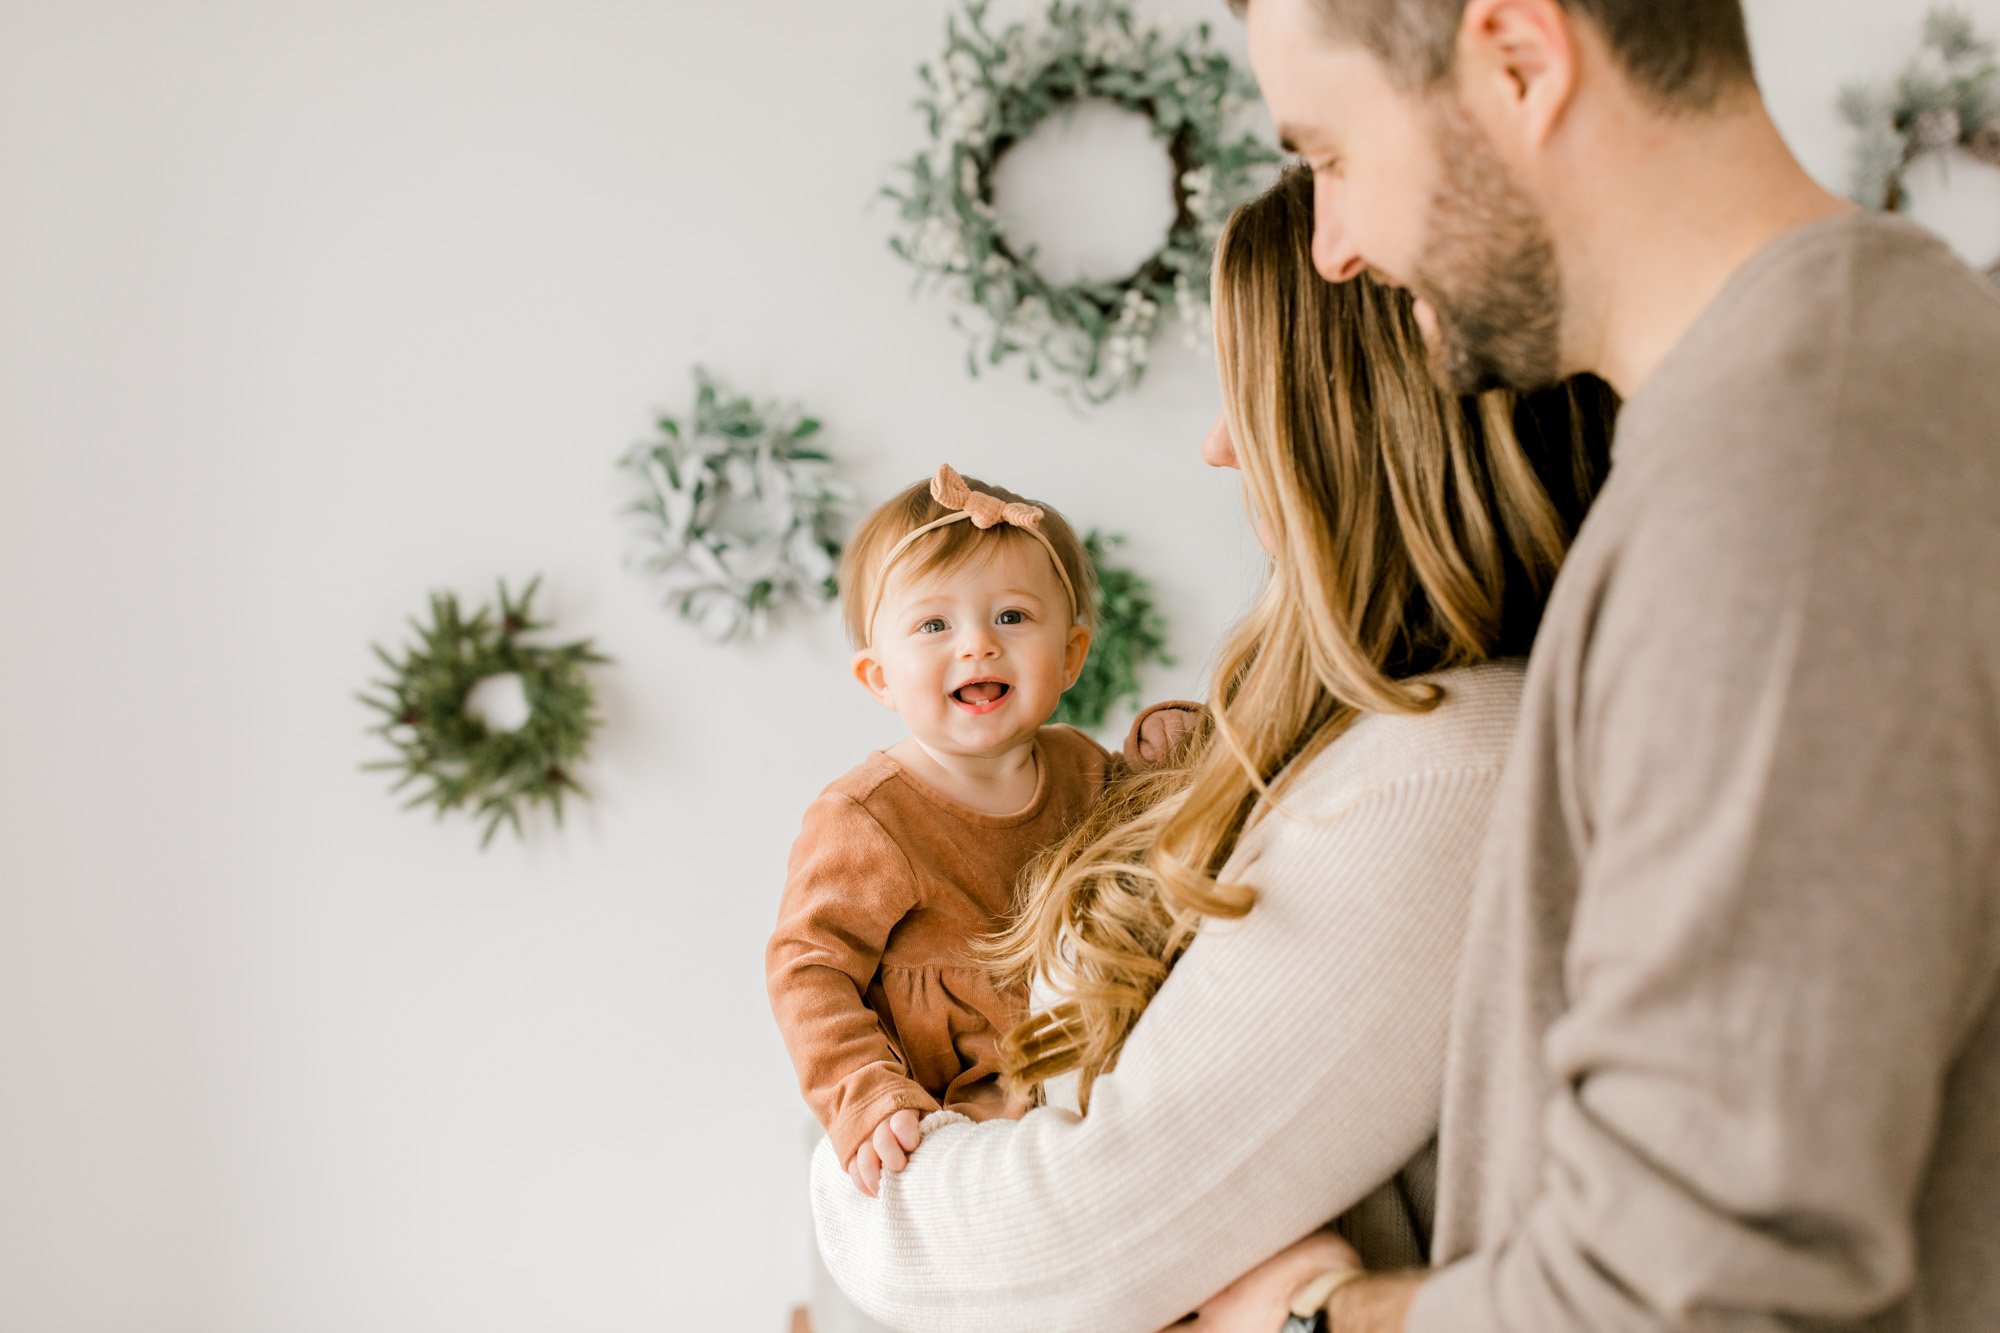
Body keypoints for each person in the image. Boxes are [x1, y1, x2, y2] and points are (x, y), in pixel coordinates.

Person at [1198, 1, 2000, 1330]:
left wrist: (1318, 1320)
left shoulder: (1787, 477)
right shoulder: (1829, 397)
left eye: (1331, 155)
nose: (1334, 246)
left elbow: (1699, 1288)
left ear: (1520, 59)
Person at [807, 165, 1612, 1333]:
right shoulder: (1362, 743)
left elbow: (1066, 1239)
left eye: (1247, 389)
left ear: (1350, 417)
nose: (1216, 445)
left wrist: (847, 1179)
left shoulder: (1445, 771)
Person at [765, 464, 1194, 1192]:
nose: (977, 646)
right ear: (879, 678)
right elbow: (809, 969)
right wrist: (863, 1092)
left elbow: (1145, 834)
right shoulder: (869, 817)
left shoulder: (1081, 767)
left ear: (1070, 656)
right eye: (935, 624)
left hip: (1099, 1049)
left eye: (1012, 617)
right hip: (966, 1094)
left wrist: (1174, 752)